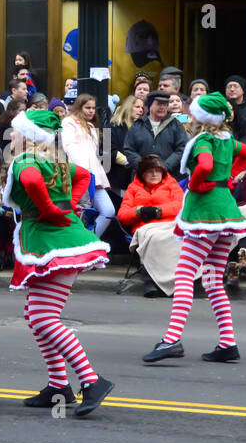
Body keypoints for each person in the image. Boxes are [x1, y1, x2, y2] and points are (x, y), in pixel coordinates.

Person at [4, 108, 113, 416]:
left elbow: (33, 182)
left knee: (42, 318)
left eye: (15, 131)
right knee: (36, 314)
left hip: (52, 242)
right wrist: (72, 204)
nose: (11, 136)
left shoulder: (26, 160)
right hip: (58, 239)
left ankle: (92, 381)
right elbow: (85, 177)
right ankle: (58, 386)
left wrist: (50, 209)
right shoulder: (59, 160)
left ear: (28, 137)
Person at [144, 93, 246, 364]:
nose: (190, 115)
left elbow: (204, 164)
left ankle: (172, 339)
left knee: (184, 275)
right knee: (212, 279)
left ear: (203, 117)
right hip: (225, 211)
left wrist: (195, 185)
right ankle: (228, 343)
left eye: (194, 112)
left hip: (205, 213)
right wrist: (228, 177)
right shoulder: (228, 140)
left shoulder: (205, 140)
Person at [118, 154, 184, 298]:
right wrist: (139, 211)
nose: (154, 174)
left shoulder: (171, 183)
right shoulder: (133, 187)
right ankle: (150, 281)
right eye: (150, 171)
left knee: (178, 236)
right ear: (142, 174)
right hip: (145, 228)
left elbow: (180, 206)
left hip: (169, 224)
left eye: (158, 170)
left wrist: (158, 211)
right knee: (151, 237)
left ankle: (177, 280)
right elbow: (122, 215)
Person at [60, 94, 117, 239]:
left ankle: (89, 241)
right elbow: (69, 147)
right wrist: (83, 170)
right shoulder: (69, 122)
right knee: (81, 213)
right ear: (79, 107)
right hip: (79, 175)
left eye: (93, 108)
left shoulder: (91, 126)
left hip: (95, 176)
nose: (91, 111)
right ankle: (83, 244)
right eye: (87, 108)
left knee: (108, 211)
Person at [122, 90, 188, 177]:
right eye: (159, 104)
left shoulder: (175, 124)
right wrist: (143, 166)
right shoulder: (138, 124)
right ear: (150, 105)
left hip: (169, 177)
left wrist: (165, 166)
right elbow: (129, 149)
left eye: (165, 104)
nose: (162, 107)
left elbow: (182, 148)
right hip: (142, 177)